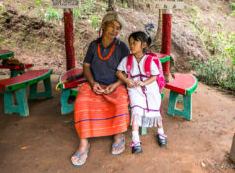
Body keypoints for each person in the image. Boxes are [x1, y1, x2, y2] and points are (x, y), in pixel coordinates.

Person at [71, 11, 130, 166]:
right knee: (82, 102)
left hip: (116, 85)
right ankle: (84, 143)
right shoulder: (93, 45)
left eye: (118, 28)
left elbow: (127, 70)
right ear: (103, 25)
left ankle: (119, 136)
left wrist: (116, 84)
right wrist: (92, 83)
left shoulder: (122, 47)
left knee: (120, 103)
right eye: (112, 26)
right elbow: (86, 66)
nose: (115, 30)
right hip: (94, 84)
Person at [116, 31, 167, 154]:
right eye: (130, 43)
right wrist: (127, 80)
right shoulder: (127, 60)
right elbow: (118, 72)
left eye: (135, 43)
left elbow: (154, 76)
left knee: (155, 111)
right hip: (135, 89)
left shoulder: (150, 60)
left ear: (143, 45)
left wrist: (144, 83)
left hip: (150, 88)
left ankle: (161, 132)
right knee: (136, 111)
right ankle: (136, 140)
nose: (131, 46)